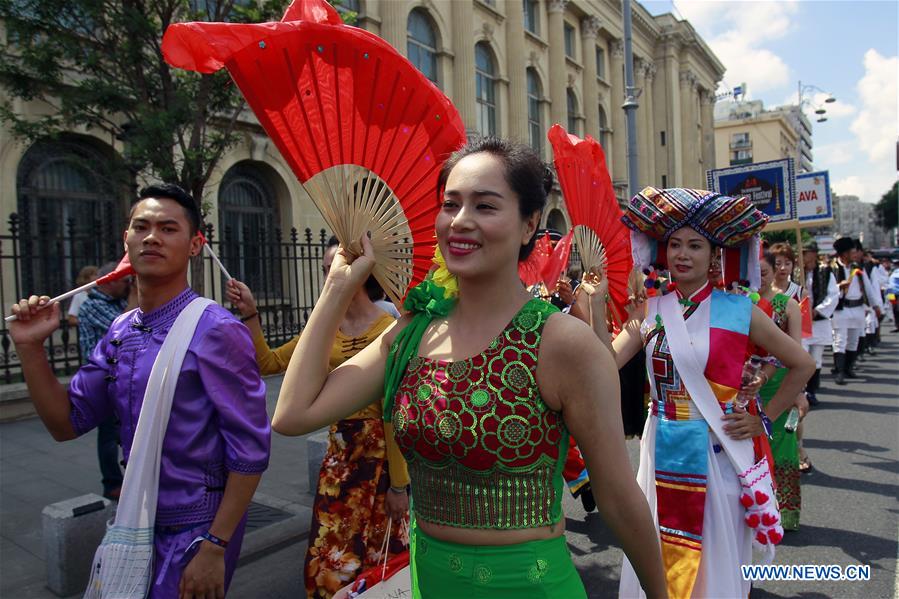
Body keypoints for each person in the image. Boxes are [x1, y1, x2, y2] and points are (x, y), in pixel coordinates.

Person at [272, 137, 667, 598]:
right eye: (450, 204)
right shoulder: (411, 331)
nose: (460, 221)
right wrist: (337, 288)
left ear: (528, 226)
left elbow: (619, 497)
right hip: (429, 579)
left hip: (526, 586)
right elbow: (292, 414)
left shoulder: (561, 342)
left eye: (485, 206)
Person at [8, 183, 270, 598]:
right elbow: (65, 422)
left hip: (197, 527)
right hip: (134, 516)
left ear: (195, 244)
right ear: (126, 241)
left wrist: (216, 546)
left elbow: (251, 451)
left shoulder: (218, 330)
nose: (152, 237)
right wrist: (30, 348)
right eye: (141, 227)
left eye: (168, 228)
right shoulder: (120, 330)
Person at [610, 187, 815, 599]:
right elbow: (601, 363)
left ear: (714, 256)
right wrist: (590, 304)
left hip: (716, 449)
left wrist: (764, 418)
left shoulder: (739, 311)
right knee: (659, 546)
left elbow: (802, 364)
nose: (683, 254)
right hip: (661, 445)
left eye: (695, 245)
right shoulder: (649, 310)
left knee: (716, 552)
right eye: (675, 245)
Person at [225, 239, 410, 599]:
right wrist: (250, 314)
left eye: (337, 267)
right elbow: (270, 364)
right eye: (327, 269)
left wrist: (399, 485)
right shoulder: (324, 329)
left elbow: (394, 413)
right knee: (330, 557)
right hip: (339, 461)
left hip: (380, 462)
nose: (330, 275)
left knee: (378, 558)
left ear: (365, 271)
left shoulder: (390, 328)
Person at [754, 252, 808, 530]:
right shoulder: (742, 302)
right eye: (755, 270)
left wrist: (799, 391)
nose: (760, 276)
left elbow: (797, 352)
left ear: (775, 271)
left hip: (782, 386)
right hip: (750, 385)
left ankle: (785, 515)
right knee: (754, 452)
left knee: (782, 449)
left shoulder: (787, 305)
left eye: (764, 271)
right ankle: (760, 512)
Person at [77, 261, 133, 500]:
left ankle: (132, 477)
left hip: (122, 375)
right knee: (109, 434)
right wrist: (137, 296)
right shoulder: (93, 305)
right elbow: (127, 327)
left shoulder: (117, 301)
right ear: (109, 281)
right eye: (125, 281)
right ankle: (111, 483)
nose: (128, 286)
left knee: (127, 429)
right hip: (103, 378)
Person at [829, 238, 882, 384]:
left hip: (857, 308)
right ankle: (839, 371)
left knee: (853, 341)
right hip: (841, 309)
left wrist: (875, 306)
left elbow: (868, 289)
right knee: (840, 340)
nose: (854, 253)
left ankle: (848, 368)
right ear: (843, 253)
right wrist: (840, 286)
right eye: (851, 251)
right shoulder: (832, 268)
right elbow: (829, 290)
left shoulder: (857, 268)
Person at [800, 242, 839, 406]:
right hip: (801, 323)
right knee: (802, 356)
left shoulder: (825, 271)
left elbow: (833, 294)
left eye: (806, 253)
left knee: (816, 358)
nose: (803, 256)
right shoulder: (796, 272)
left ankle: (812, 391)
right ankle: (800, 390)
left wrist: (817, 310)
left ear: (814, 254)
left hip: (819, 321)